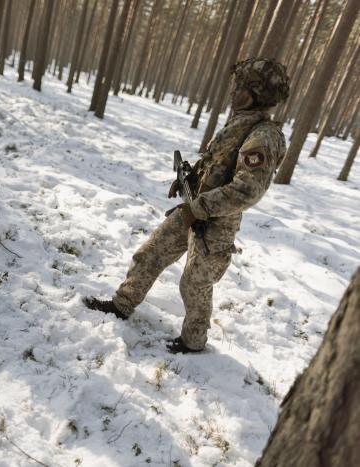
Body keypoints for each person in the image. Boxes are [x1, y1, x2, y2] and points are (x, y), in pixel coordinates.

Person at [85, 58, 290, 354]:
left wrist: (199, 208)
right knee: (151, 253)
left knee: (194, 284)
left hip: (215, 222)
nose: (234, 92)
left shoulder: (263, 136)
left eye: (241, 87)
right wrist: (191, 179)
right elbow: (220, 164)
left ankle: (193, 341)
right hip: (194, 207)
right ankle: (122, 305)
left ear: (256, 93)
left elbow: (247, 190)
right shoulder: (240, 123)